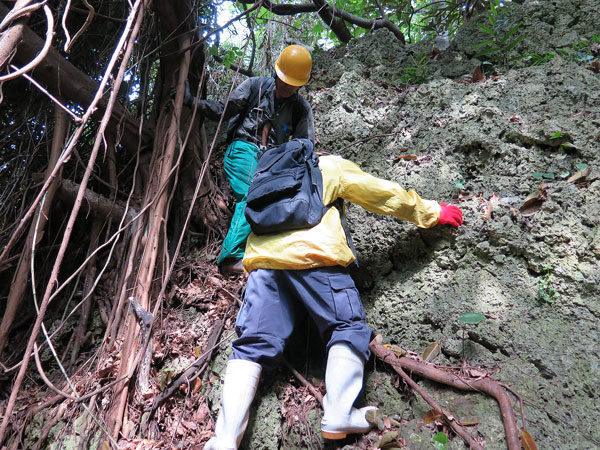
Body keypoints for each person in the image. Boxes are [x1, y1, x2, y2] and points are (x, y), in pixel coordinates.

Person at [203, 139, 463, 450]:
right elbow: (380, 193)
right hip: (316, 258)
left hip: (263, 266)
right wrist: (434, 212)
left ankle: (224, 441)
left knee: (250, 346)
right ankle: (339, 413)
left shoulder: (263, 172)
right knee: (347, 328)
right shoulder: (326, 165)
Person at [183, 45, 315, 276]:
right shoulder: (255, 86)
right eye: (284, 81)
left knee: (280, 201)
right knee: (254, 193)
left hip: (274, 160)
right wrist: (190, 101)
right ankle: (230, 258)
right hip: (243, 148)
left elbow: (305, 144)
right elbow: (223, 111)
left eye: (293, 85)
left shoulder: (301, 108)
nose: (287, 87)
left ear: (301, 85)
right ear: (276, 74)